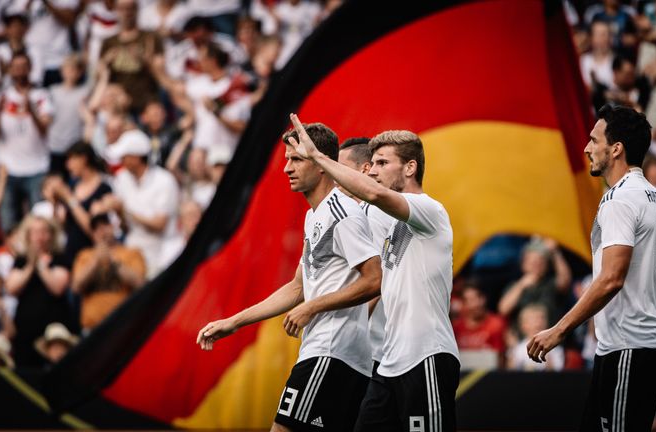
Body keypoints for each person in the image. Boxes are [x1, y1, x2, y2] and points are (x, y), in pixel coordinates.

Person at [197, 122, 382, 432]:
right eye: (286, 159)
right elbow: (298, 288)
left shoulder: (342, 212)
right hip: (331, 352)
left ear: (322, 164)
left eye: (296, 159)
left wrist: (312, 307)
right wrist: (233, 322)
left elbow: (374, 280)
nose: (286, 169)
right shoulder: (315, 215)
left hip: (332, 351)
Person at [526, 105, 656, 431]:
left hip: (628, 349)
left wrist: (558, 330)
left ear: (616, 148)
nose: (587, 147)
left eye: (594, 140)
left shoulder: (618, 200)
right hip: (641, 349)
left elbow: (611, 279)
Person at [283, 114, 460, 431]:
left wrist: (319, 157)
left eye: (381, 163)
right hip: (389, 363)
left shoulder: (428, 209)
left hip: (427, 354)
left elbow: (374, 194)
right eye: (372, 164)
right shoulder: (388, 221)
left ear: (410, 168)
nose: (372, 171)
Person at [337, 136, 394, 373]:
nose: (335, 175)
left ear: (365, 169)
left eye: (341, 168)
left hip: (372, 349)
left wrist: (350, 335)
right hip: (374, 349)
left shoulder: (370, 213)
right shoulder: (362, 212)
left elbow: (376, 277)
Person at [99, 130, 180, 278]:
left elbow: (159, 224)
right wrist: (118, 212)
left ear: (136, 158)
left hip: (161, 254)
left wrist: (124, 209)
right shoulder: (122, 179)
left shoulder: (164, 180)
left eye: (124, 157)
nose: (121, 161)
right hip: (132, 251)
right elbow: (124, 227)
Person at [0, 52, 54, 234]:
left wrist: (31, 109)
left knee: (39, 222)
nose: (19, 70)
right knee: (9, 224)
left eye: (23, 66)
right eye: (15, 66)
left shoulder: (41, 95)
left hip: (37, 167)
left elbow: (44, 128)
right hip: (8, 168)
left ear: (30, 68)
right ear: (10, 70)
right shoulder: (2, 96)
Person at [6, 215, 73, 368]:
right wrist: (30, 265)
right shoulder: (21, 260)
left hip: (54, 331)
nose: (39, 237)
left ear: (51, 234)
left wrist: (41, 265)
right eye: (35, 232)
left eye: (44, 231)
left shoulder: (60, 258)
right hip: (26, 331)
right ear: (28, 235)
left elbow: (57, 288)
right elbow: (11, 288)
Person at [72, 213, 145, 332]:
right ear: (93, 234)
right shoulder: (84, 256)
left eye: (105, 225)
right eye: (96, 228)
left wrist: (111, 259)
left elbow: (140, 283)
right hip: (93, 327)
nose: (101, 231)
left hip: (124, 324)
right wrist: (96, 260)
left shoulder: (132, 253)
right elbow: (76, 287)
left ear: (113, 227)